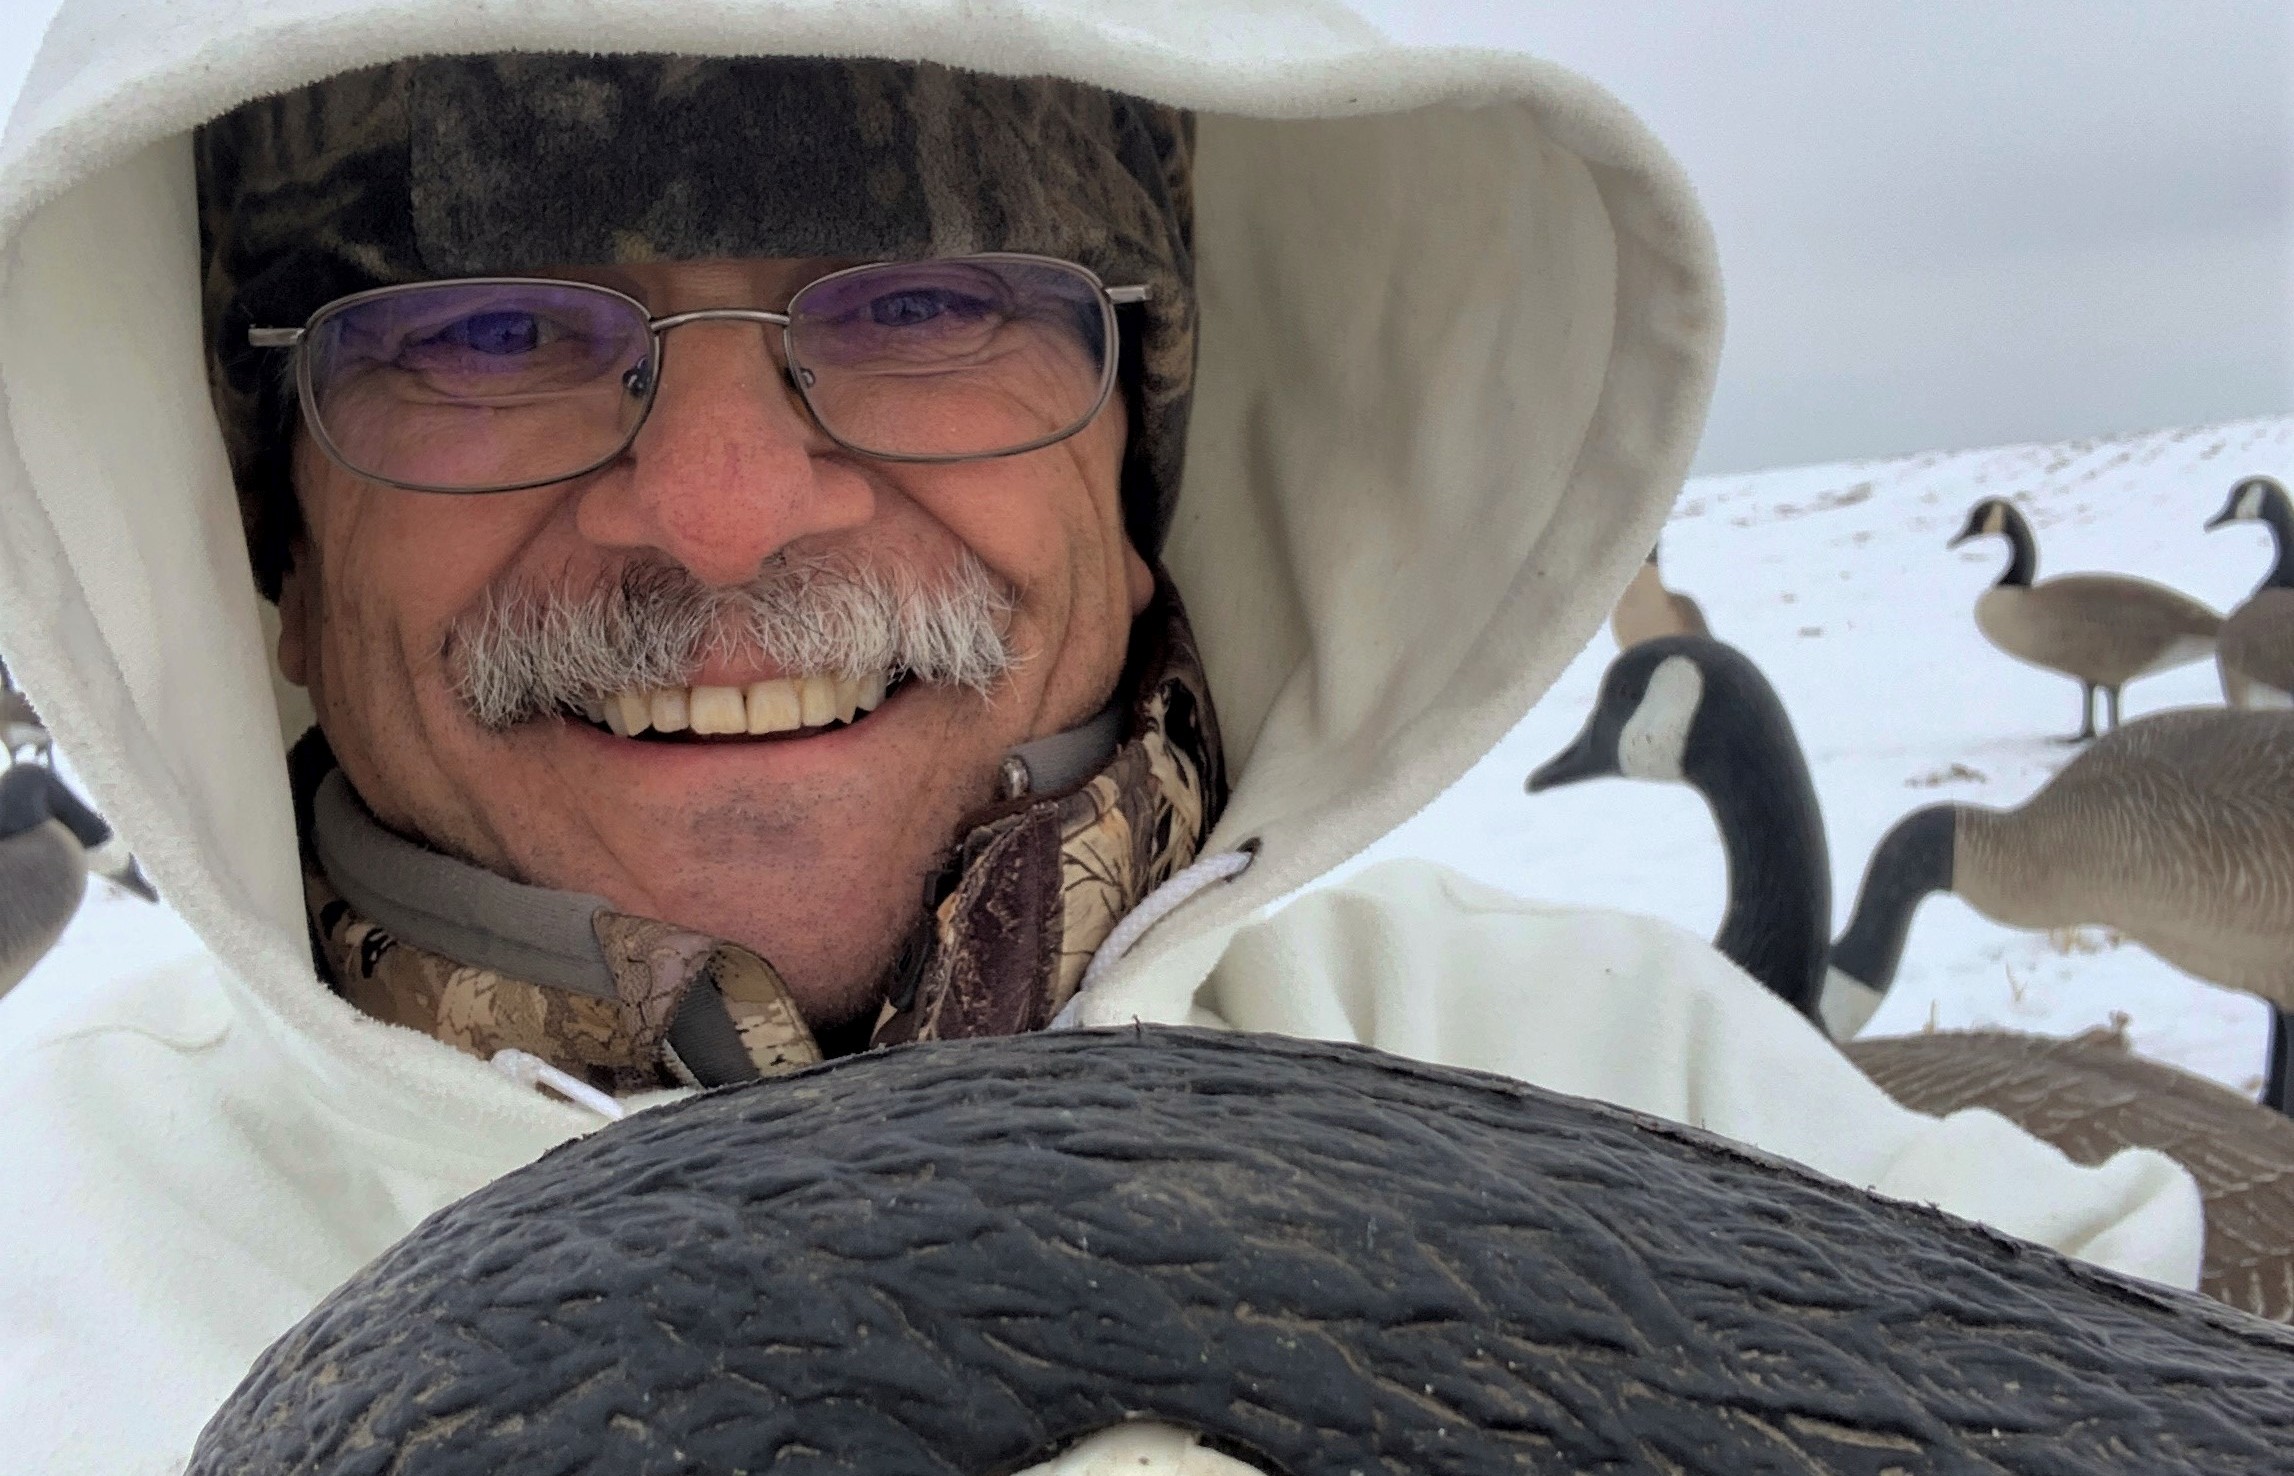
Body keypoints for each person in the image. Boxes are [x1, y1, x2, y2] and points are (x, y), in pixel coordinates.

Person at [0, 3, 2201, 1469]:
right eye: (486, 332)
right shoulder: (44, 1274)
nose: (724, 509)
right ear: (266, 524)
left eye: (928, 301)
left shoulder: (1610, 1073)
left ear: (1138, 487)